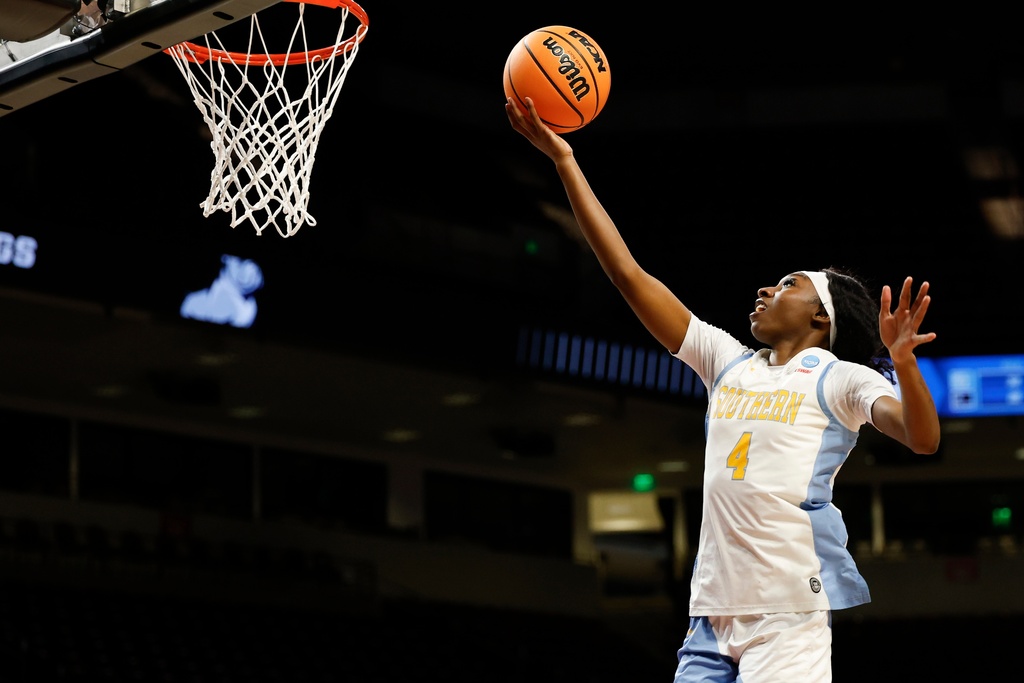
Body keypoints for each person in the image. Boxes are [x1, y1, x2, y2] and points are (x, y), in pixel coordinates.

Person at [506, 96, 941, 683]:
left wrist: (904, 363)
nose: (766, 289)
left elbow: (921, 438)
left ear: (821, 317)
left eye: (788, 284)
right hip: (711, 614)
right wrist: (564, 161)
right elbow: (629, 276)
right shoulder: (727, 361)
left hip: (786, 611)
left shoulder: (839, 377)